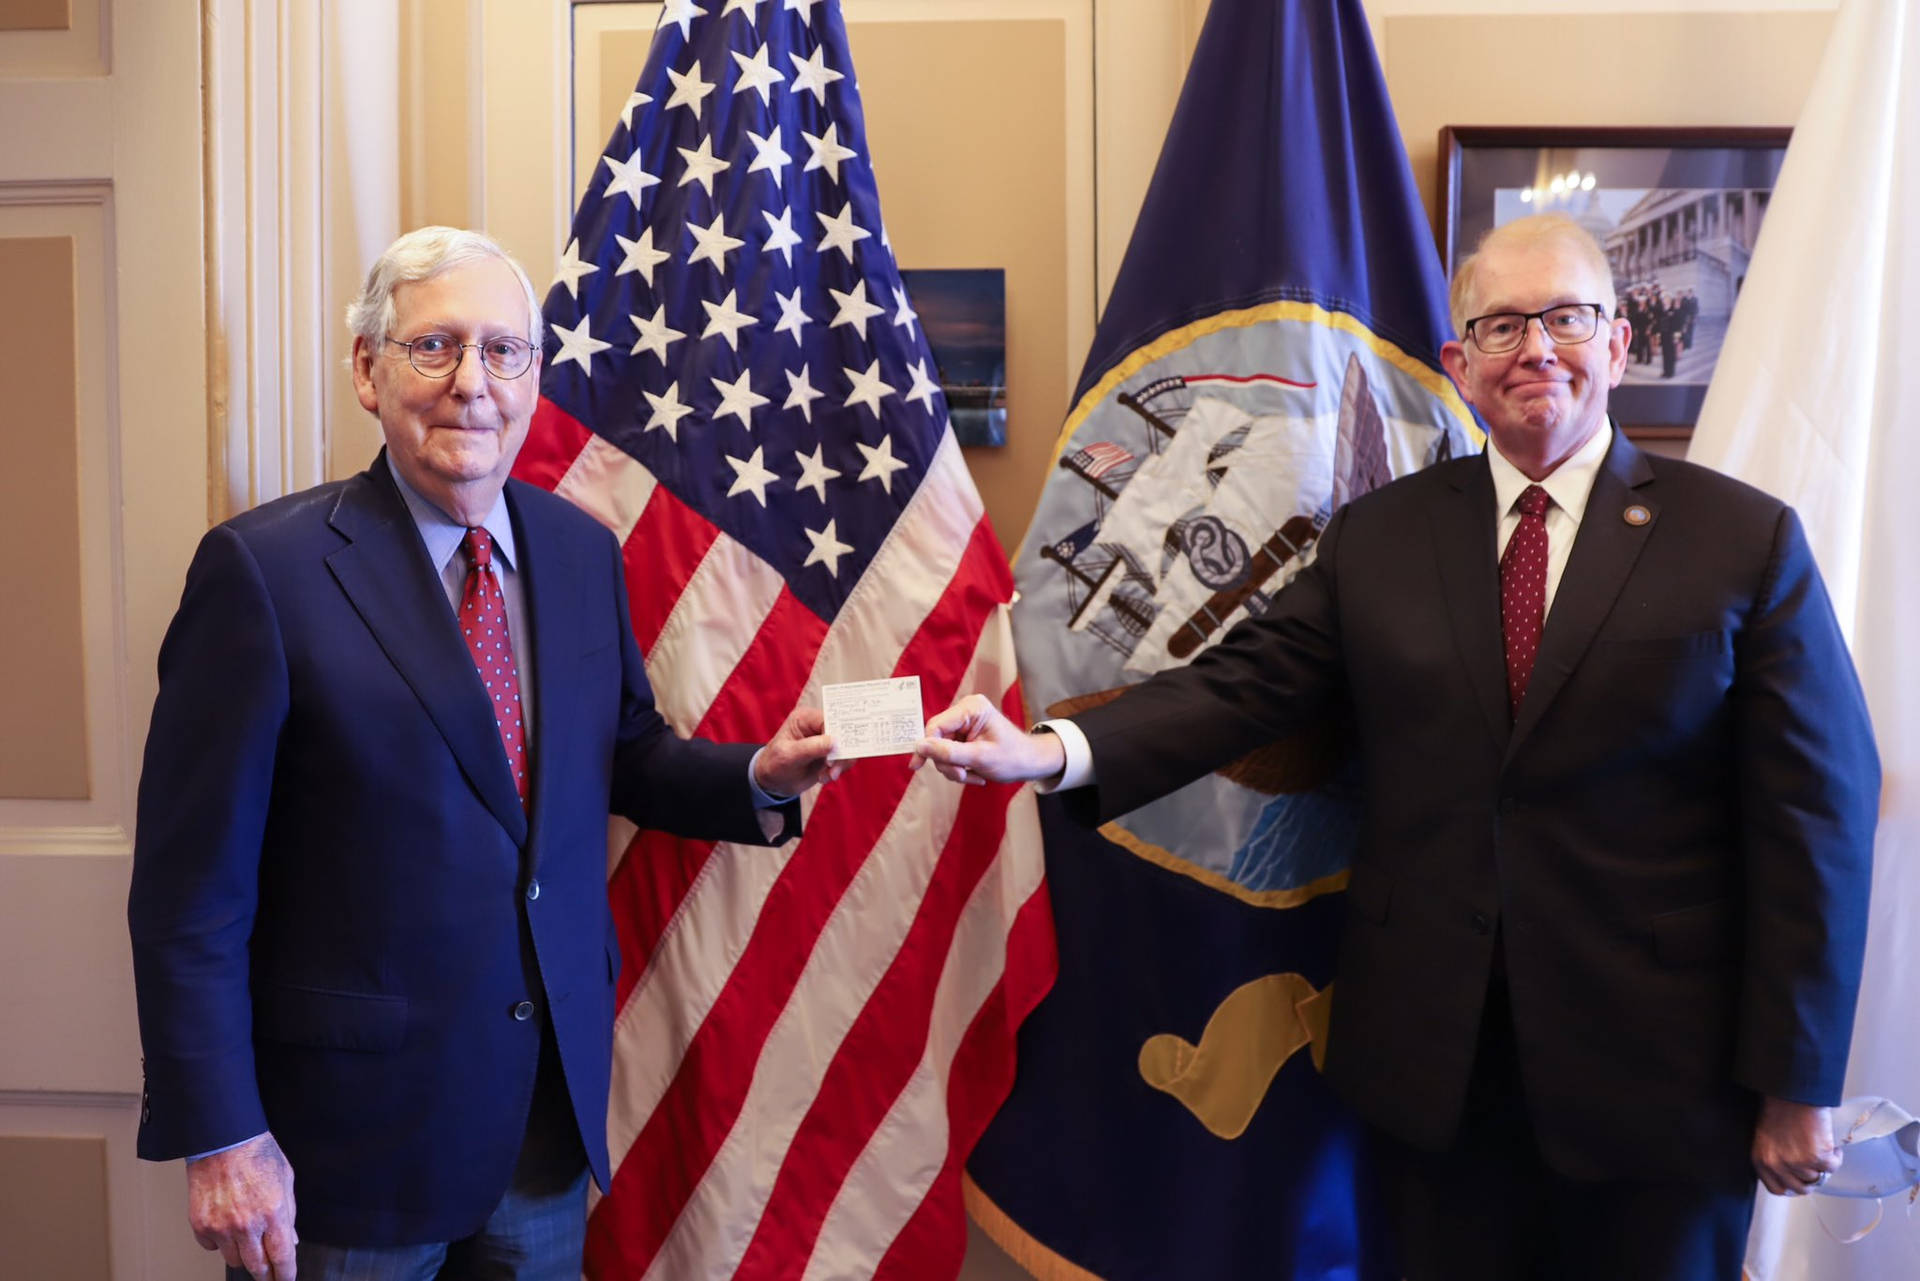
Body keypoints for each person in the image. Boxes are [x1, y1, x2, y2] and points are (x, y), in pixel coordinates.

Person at [914, 214, 1878, 1279]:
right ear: (1461, 367)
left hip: (1661, 1082)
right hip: (1434, 1071)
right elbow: (1249, 684)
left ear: (1617, 344)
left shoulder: (1743, 541)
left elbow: (1815, 819)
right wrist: (1049, 750)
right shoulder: (1381, 537)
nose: (1536, 349)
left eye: (1565, 317)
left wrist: (1798, 1081)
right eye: (1502, 326)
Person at [127, 226, 843, 1280]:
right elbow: (192, 893)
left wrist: (755, 776)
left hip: (539, 1125)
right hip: (344, 1150)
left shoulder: (575, 551)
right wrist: (223, 1135)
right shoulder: (263, 573)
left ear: (534, 376)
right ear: (368, 372)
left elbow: (622, 752)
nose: (474, 383)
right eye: (435, 348)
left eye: (503, 351)